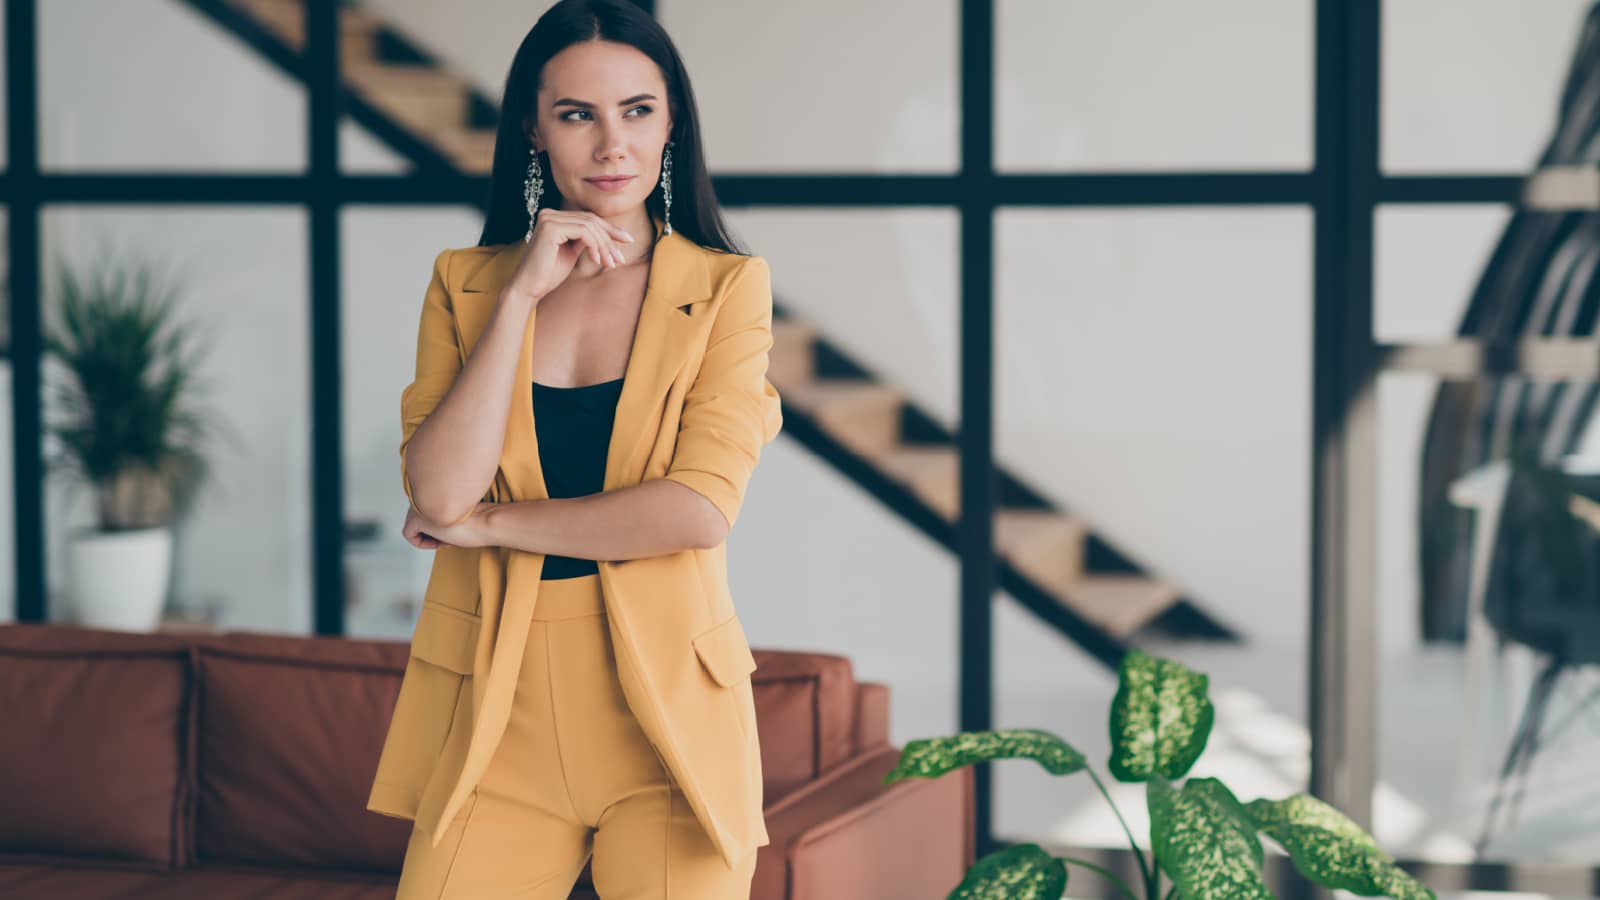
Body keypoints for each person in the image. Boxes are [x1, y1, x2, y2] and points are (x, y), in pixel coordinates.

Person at [365, 1, 783, 896]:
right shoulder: (466, 285)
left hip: (669, 724)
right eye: (577, 114)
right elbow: (439, 494)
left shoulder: (726, 291)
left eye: (637, 110)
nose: (611, 146)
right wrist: (518, 298)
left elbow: (696, 510)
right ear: (533, 127)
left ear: (673, 122)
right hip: (495, 711)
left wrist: (494, 526)